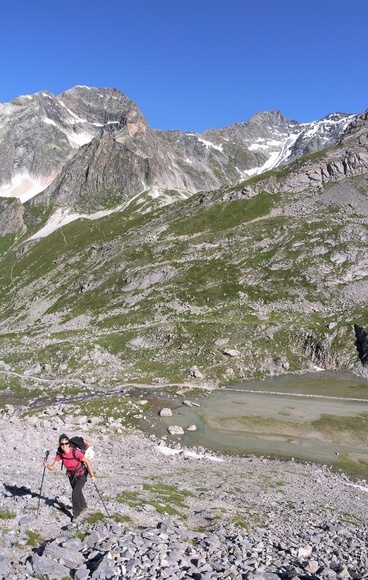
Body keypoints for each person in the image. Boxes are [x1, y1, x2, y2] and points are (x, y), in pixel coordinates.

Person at [44, 434, 96, 522]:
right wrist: (47, 465)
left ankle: (76, 514)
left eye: (66, 443)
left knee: (74, 493)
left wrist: (92, 475)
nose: (64, 446)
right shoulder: (60, 454)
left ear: (69, 444)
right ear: (60, 445)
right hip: (71, 476)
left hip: (82, 475)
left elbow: (87, 462)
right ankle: (84, 506)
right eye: (62, 444)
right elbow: (53, 467)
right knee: (77, 491)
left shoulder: (75, 452)